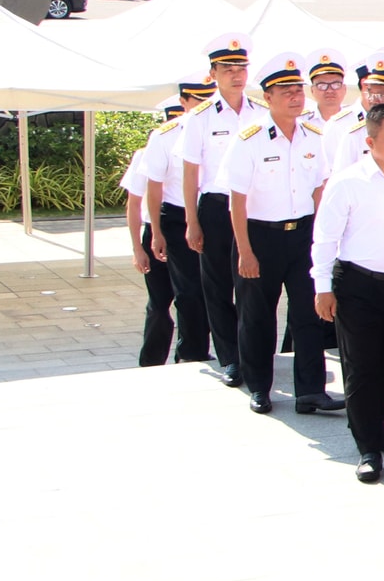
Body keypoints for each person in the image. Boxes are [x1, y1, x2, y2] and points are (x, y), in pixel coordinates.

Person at [311, 104, 384, 482]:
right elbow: (325, 238)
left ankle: (374, 423)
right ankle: (368, 448)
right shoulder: (347, 182)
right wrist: (322, 288)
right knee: (361, 366)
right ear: (370, 142)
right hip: (358, 285)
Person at [224, 51, 334, 417]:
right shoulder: (249, 139)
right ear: (267, 97)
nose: (295, 97)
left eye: (298, 90)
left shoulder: (313, 137)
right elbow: (237, 201)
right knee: (257, 316)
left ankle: (311, 391)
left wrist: (322, 239)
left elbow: (319, 190)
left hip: (302, 235)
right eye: (285, 91)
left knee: (309, 314)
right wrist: (245, 251)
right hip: (260, 236)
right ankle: (259, 387)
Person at [181, 34, 260, 385]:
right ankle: (230, 358)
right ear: (212, 73)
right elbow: (190, 173)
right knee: (217, 286)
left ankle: (252, 353)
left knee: (252, 286)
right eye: (228, 69)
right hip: (215, 207)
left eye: (241, 68)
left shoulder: (261, 112)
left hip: (254, 210)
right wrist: (191, 221)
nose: (236, 75)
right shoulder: (200, 117)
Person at [143, 70, 216, 365]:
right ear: (183, 101)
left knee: (219, 289)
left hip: (216, 212)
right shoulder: (166, 135)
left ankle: (222, 349)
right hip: (178, 217)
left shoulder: (229, 127)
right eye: (199, 100)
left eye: (210, 99)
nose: (205, 105)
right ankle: (192, 352)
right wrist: (156, 232)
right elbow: (154, 188)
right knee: (189, 290)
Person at [123, 96, 185, 367]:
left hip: (189, 229)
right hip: (156, 232)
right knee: (159, 304)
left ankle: (189, 353)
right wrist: (137, 248)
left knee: (190, 299)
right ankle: (151, 360)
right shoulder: (146, 153)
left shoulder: (200, 149)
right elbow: (134, 204)